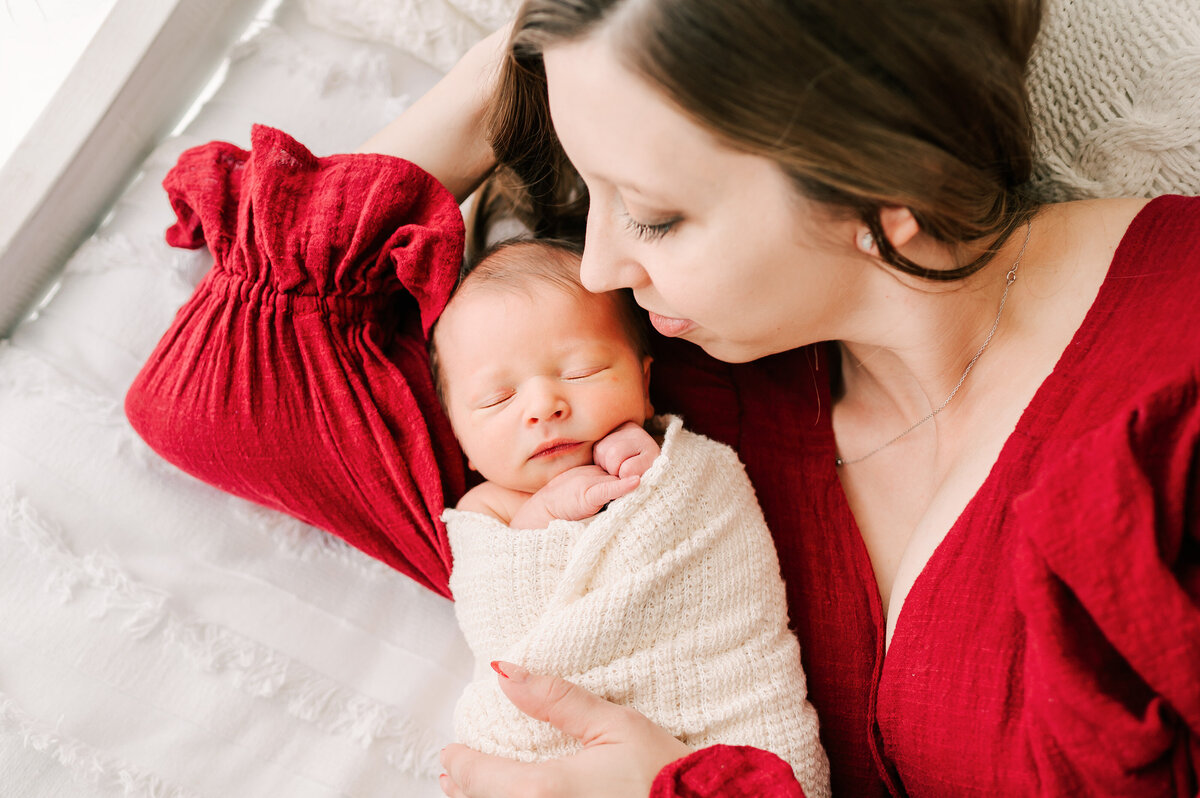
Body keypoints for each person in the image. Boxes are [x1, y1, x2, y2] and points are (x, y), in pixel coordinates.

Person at [124, 0, 1200, 795]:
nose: (595, 269)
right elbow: (223, 396)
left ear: (887, 186)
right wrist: (538, 52)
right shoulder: (645, 416)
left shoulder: (1171, 396)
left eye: (653, 214)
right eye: (591, 195)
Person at [430, 239, 829, 795]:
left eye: (583, 370)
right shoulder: (486, 508)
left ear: (644, 382)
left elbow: (698, 540)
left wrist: (645, 475)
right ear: (461, 442)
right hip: (541, 748)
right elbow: (503, 600)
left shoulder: (683, 468)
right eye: (498, 399)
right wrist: (550, 508)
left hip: (723, 725)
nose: (544, 405)